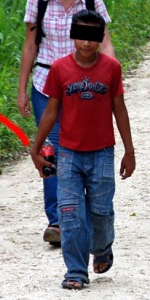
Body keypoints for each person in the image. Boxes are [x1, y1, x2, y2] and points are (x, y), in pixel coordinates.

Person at [30, 9, 136, 289]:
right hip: (68, 154)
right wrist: (36, 148)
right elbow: (51, 112)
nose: (86, 43)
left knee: (101, 213)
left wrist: (129, 151)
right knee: (70, 214)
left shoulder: (111, 68)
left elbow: (119, 109)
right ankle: (76, 271)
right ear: (72, 36)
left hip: (102, 153)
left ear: (101, 38)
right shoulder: (60, 69)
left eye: (92, 37)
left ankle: (101, 248)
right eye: (81, 36)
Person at [17, 0, 115, 246]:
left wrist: (111, 82)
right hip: (45, 82)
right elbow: (30, 45)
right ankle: (58, 221)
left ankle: (83, 214)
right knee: (53, 150)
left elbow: (105, 43)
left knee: (81, 149)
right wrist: (21, 89)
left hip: (83, 85)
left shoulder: (92, 2)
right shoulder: (38, 3)